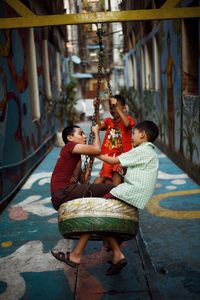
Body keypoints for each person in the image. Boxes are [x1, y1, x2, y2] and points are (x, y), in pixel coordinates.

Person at [50, 124, 126, 275]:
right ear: (70, 138)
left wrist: (89, 166)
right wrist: (96, 132)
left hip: (65, 192)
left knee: (97, 214)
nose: (84, 136)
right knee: (113, 189)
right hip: (64, 192)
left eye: (84, 134)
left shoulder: (75, 155)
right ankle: (118, 232)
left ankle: (118, 254)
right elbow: (97, 150)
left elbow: (84, 181)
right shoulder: (70, 147)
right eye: (80, 133)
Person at [97, 121, 159, 211]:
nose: (132, 137)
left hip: (131, 190)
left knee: (101, 203)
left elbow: (113, 161)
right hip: (141, 194)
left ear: (142, 135)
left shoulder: (141, 150)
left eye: (134, 134)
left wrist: (95, 154)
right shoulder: (151, 152)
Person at [94, 94, 136, 186]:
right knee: (102, 177)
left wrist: (117, 108)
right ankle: (89, 195)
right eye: (111, 108)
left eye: (116, 107)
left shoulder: (128, 119)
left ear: (124, 108)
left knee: (117, 174)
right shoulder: (109, 121)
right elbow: (99, 126)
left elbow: (126, 124)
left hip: (122, 157)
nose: (113, 110)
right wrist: (96, 109)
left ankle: (114, 194)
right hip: (109, 157)